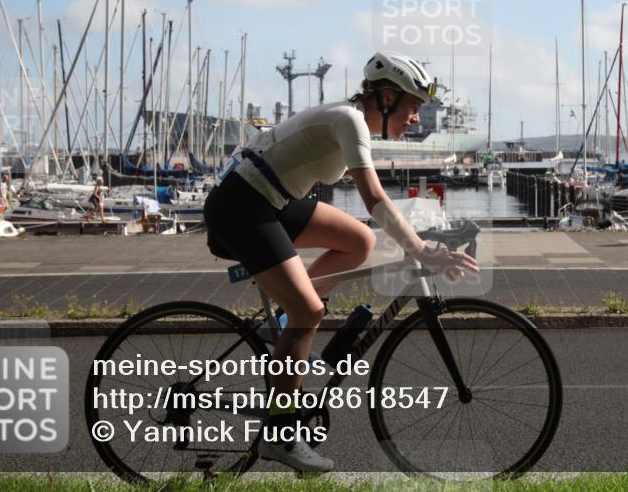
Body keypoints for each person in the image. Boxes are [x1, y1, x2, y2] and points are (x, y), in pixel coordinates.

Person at [204, 52, 479, 472]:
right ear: (386, 98)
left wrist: (418, 241)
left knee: (358, 241)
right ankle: (281, 435)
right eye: (412, 108)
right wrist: (420, 250)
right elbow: (373, 198)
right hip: (242, 205)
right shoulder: (350, 121)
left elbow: (374, 209)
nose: (415, 120)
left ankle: (282, 324)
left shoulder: (354, 122)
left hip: (271, 198)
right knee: (308, 311)